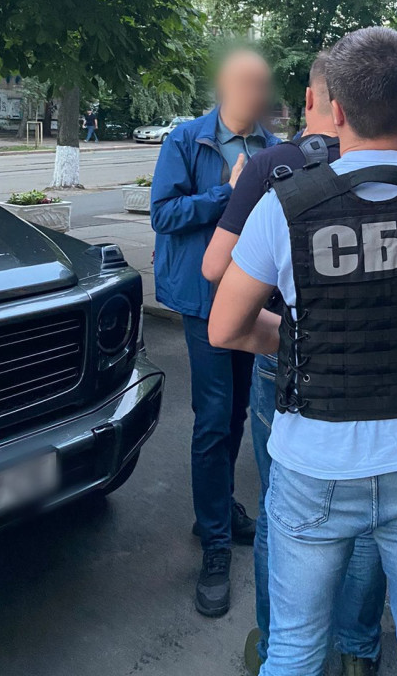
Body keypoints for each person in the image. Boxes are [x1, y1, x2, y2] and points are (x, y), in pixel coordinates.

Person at [208, 27, 397, 676]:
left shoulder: (284, 206)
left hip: (314, 461)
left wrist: (301, 342)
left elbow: (225, 328)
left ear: (337, 109)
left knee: (293, 649)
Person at [202, 51, 387, 676]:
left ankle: (278, 645)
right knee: (369, 512)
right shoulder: (391, 169)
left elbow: (214, 267)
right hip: (376, 360)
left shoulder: (270, 166)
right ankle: (357, 650)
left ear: (314, 100)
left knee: (283, 506)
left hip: (287, 359)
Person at [151, 48, 280, 618]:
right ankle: (215, 543)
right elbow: (163, 214)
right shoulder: (187, 140)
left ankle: (219, 510)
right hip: (203, 303)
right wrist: (228, 193)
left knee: (236, 414)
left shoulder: (274, 147)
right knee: (212, 416)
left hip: (252, 301)